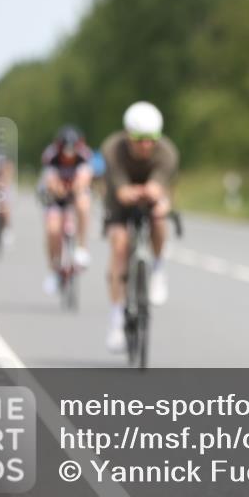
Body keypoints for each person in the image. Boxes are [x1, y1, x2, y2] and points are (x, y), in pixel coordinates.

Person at [101, 101, 179, 352]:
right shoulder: (112, 149)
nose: (146, 145)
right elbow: (121, 191)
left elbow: (159, 186)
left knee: (158, 218)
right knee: (120, 245)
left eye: (151, 139)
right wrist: (130, 192)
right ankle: (116, 322)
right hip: (119, 201)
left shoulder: (167, 151)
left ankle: (157, 268)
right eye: (139, 139)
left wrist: (155, 196)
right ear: (127, 136)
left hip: (152, 196)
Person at [39, 126, 93, 294]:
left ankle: (81, 247)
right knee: (52, 230)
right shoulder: (51, 155)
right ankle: (53, 269)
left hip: (75, 192)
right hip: (54, 196)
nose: (69, 154)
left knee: (83, 204)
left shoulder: (84, 154)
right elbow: (50, 180)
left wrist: (76, 188)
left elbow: (85, 177)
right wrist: (58, 189)